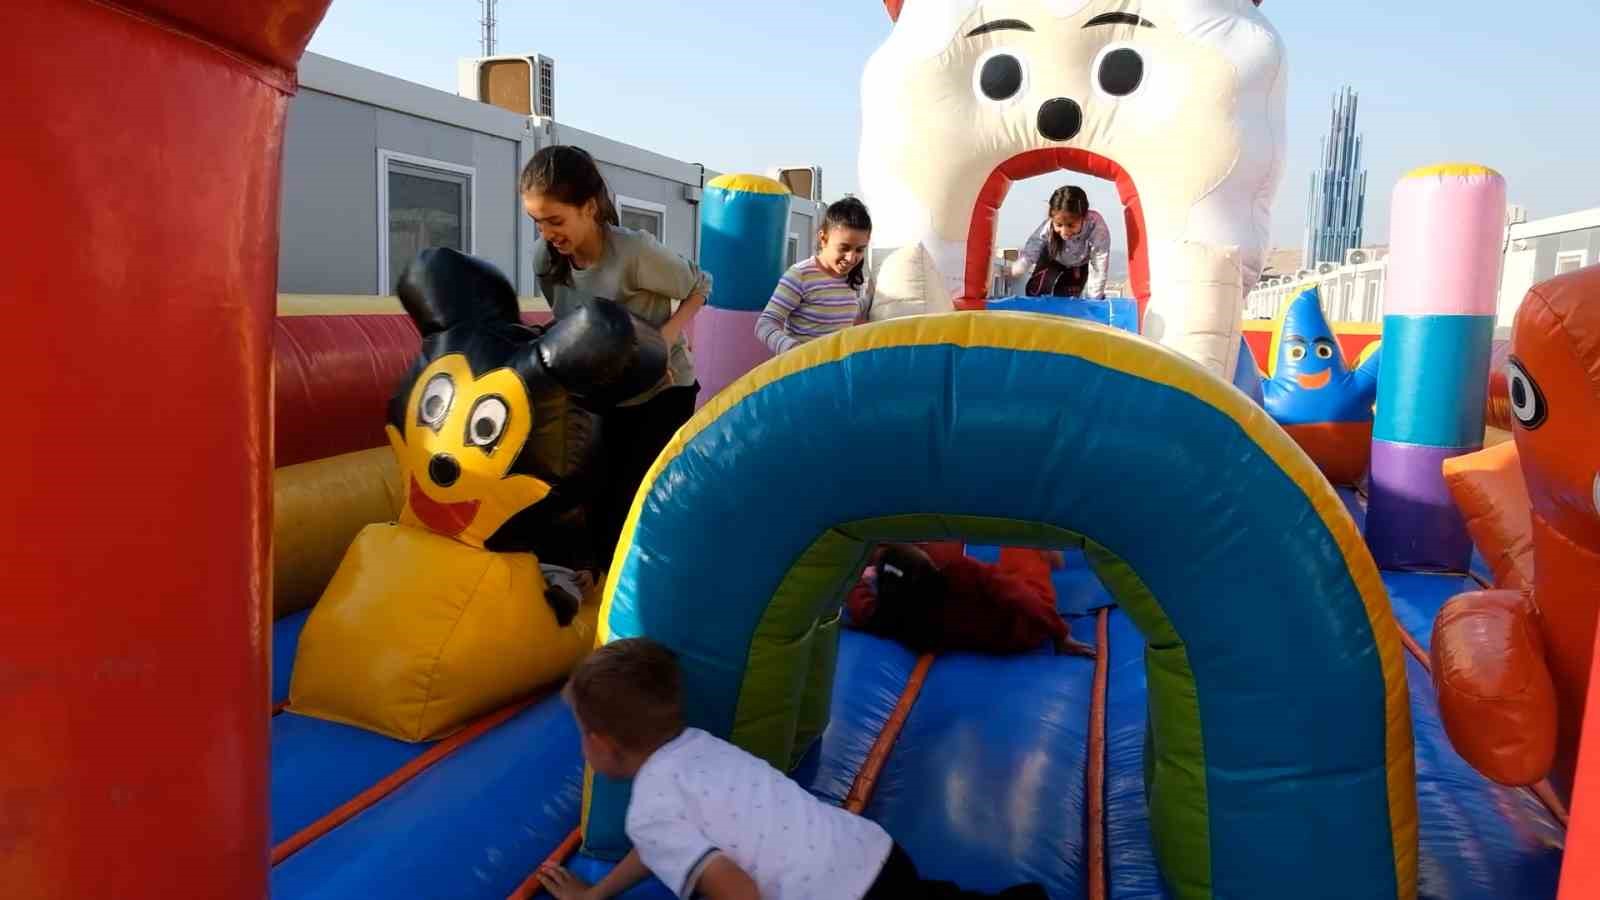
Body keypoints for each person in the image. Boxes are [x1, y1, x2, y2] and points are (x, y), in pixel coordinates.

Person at [537, 638, 1049, 900]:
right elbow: (659, 846)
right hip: (876, 858)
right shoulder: (697, 746)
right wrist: (599, 894)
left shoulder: (650, 810)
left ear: (599, 744)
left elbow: (735, 890)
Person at [523, 145, 710, 576]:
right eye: (537, 221)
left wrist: (666, 335)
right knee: (593, 489)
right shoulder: (546, 258)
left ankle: (635, 584)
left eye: (556, 220)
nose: (547, 232)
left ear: (588, 208)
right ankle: (596, 577)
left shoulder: (635, 253)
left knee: (635, 494)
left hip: (663, 390)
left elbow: (701, 284)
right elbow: (568, 319)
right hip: (605, 388)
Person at [847, 543, 1093, 658]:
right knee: (1020, 543)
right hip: (1023, 630)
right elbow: (1022, 596)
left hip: (986, 633)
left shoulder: (889, 615)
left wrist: (865, 569)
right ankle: (1043, 550)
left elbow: (856, 596)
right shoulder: (960, 572)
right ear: (928, 564)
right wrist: (1061, 634)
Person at [755, 197, 873, 354]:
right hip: (805, 370)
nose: (851, 258)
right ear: (823, 238)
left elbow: (842, 310)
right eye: (844, 248)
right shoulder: (800, 276)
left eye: (859, 250)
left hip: (835, 369)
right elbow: (765, 324)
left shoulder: (848, 280)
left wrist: (871, 296)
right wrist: (795, 350)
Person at [1010, 185, 1111, 299]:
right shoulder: (1048, 226)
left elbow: (1099, 259)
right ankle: (1038, 308)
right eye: (1059, 225)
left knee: (1067, 297)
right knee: (1036, 290)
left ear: (1084, 217)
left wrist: (1095, 295)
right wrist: (1024, 262)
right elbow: (1036, 242)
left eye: (1071, 225)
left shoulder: (1095, 225)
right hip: (1052, 257)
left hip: (1078, 264)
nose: (1064, 232)